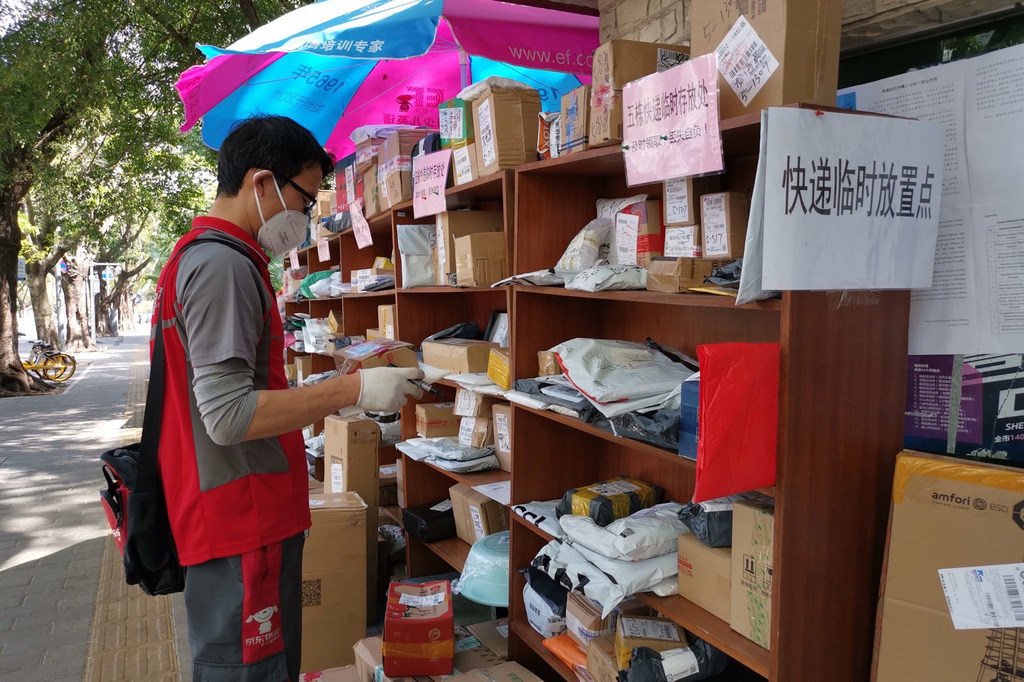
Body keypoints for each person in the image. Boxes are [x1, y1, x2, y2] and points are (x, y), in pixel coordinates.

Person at [151, 115, 423, 681]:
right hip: (241, 521)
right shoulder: (222, 266)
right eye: (304, 197)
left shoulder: (210, 257)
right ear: (261, 183)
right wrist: (352, 389)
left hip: (234, 513)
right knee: (251, 671)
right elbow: (227, 416)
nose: (306, 216)